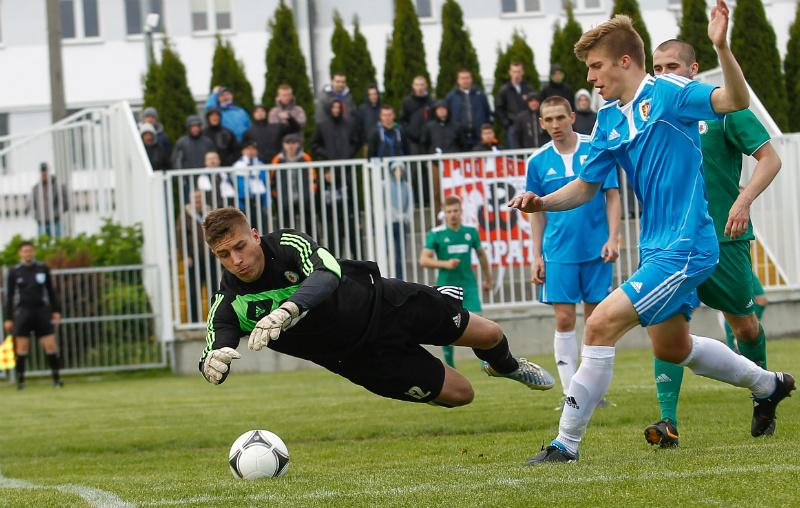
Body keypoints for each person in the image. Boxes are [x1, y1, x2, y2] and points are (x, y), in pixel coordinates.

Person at [508, 6, 794, 464]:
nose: (591, 78)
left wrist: (721, 45)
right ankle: (769, 384)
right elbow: (585, 186)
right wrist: (541, 202)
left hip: (687, 245)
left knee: (599, 324)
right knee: (672, 347)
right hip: (655, 247)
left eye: (596, 67)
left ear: (624, 61)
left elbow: (734, 99)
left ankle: (565, 444)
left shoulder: (669, 92)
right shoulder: (607, 118)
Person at [198, 208, 554, 409]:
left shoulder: (287, 244)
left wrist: (289, 309)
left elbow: (328, 272)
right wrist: (211, 365)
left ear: (255, 235)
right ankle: (415, 377)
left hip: (385, 303)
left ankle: (507, 367)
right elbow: (215, 347)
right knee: (462, 395)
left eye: (240, 246)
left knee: (490, 334)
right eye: (224, 255)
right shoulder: (229, 303)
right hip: (362, 360)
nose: (236, 260)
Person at [644, 39, 783, 447]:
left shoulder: (723, 108)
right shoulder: (653, 112)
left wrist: (743, 200)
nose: (664, 74)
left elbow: (771, 159)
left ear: (693, 69)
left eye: (672, 66)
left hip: (725, 235)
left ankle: (763, 394)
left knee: (745, 326)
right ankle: (667, 422)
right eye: (657, 67)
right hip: (672, 241)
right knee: (666, 324)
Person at [526, 96, 621, 409]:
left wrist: (613, 238)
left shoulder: (595, 147)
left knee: (596, 322)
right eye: (549, 119)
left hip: (596, 249)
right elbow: (535, 212)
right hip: (558, 252)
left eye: (560, 118)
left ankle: (593, 392)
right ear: (542, 123)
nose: (555, 124)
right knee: (565, 319)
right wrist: (536, 255)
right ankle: (572, 395)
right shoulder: (537, 161)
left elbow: (612, 195)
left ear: (572, 117)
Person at [420, 195, 493, 369]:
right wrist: (445, 264)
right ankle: (450, 364)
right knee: (447, 324)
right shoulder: (436, 234)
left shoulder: (470, 232)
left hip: (468, 285)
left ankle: (486, 362)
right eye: (449, 211)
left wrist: (488, 278)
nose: (452, 214)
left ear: (461, 212)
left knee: (479, 321)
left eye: (455, 211)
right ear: (444, 214)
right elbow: (424, 260)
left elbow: (481, 255)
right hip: (446, 286)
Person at [3, 241, 62, 389]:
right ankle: (21, 381)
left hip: (41, 311)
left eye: (30, 251)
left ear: (33, 252)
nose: (27, 253)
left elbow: (50, 291)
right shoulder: (14, 271)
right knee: (22, 347)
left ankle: (56, 380)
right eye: (25, 251)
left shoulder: (42, 268)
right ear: (20, 253)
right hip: (23, 312)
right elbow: (10, 296)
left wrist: (56, 311)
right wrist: (8, 318)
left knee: (50, 345)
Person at [178, 190, 219, 322]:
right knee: (193, 290)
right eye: (195, 198)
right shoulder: (185, 215)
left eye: (199, 198)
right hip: (194, 259)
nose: (198, 201)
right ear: (190, 200)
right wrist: (185, 255)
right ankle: (194, 320)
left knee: (214, 290)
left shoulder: (210, 212)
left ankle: (216, 318)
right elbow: (180, 236)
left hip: (211, 257)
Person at [270, 133, 316, 234]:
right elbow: (272, 179)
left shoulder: (305, 158)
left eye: (294, 143)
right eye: (288, 143)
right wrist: (276, 195)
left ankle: (312, 242)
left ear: (298, 144)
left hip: (303, 196)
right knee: (285, 225)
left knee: (309, 222)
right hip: (284, 197)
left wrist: (310, 193)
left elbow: (313, 176)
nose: (291, 146)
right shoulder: (277, 159)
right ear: (283, 145)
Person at [444, 69, 493, 151]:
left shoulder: (480, 95)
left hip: (478, 137)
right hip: (459, 138)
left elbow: (487, 113)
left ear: (471, 79)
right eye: (462, 78)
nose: (465, 81)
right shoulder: (451, 97)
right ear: (458, 80)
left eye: (467, 78)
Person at [495, 61, 535, 148]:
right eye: (514, 71)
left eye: (519, 71)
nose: (516, 74)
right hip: (513, 127)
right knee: (515, 151)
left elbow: (534, 106)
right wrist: (506, 123)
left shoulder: (529, 89)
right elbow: (499, 108)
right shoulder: (504, 90)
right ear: (510, 72)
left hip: (528, 126)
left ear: (523, 72)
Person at [30, 163, 69, 238]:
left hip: (56, 222)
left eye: (45, 171)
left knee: (59, 242)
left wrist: (56, 214)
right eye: (42, 171)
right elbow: (31, 204)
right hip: (41, 223)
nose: (44, 173)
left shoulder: (58, 187)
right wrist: (37, 216)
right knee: (43, 243)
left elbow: (65, 203)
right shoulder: (36, 188)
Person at [400, 76, 434, 155]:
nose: (419, 87)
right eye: (417, 84)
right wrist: (410, 133)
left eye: (422, 84)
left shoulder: (431, 102)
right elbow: (403, 121)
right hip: (413, 142)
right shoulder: (407, 102)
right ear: (413, 86)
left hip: (429, 142)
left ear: (426, 86)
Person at [356, 84, 382, 149]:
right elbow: (359, 128)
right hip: (368, 145)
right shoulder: (362, 109)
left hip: (382, 143)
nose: (373, 96)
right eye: (371, 94)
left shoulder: (382, 108)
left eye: (375, 94)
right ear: (368, 96)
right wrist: (364, 143)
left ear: (378, 95)